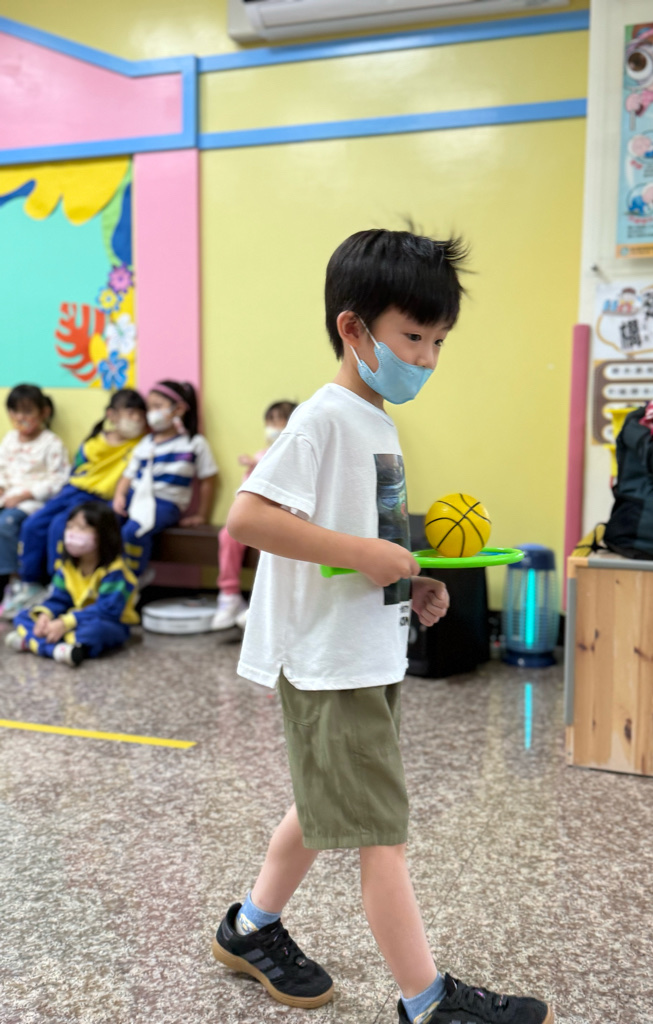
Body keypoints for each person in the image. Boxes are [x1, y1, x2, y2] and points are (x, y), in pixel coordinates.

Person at [211, 229, 553, 1024]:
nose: (427, 358)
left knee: (326, 804)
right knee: (381, 835)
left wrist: (409, 583)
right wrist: (364, 554)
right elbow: (248, 518)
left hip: (362, 652)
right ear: (354, 329)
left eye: (439, 342)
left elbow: (363, 540)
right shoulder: (323, 418)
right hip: (329, 662)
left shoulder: (376, 420)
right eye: (413, 337)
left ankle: (250, 928)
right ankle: (426, 1002)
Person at [2, 388, 147, 620]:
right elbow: (77, 470)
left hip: (100, 499)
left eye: (140, 415)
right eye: (130, 414)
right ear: (111, 415)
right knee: (32, 525)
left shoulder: (141, 445)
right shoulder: (94, 441)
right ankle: (30, 583)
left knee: (59, 527)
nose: (136, 420)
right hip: (73, 490)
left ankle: (58, 585)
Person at [5, 501, 139, 667]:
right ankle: (60, 648)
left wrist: (66, 623)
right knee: (24, 615)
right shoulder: (67, 567)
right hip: (72, 619)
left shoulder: (115, 571)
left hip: (109, 622)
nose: (72, 533)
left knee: (95, 631)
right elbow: (58, 600)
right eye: (69, 527)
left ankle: (35, 642)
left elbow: (107, 611)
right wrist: (45, 616)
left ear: (103, 533)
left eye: (82, 528)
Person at [112, 380, 219, 580]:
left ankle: (132, 578)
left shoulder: (194, 443)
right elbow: (129, 474)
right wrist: (119, 496)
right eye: (149, 407)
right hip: (135, 496)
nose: (151, 413)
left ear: (179, 409)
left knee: (134, 531)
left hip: (164, 503)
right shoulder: (146, 443)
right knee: (106, 522)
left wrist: (202, 515)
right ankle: (105, 575)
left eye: (157, 406)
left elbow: (208, 479)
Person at [211, 400, 297, 630]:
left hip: (278, 520)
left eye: (280, 420)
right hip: (254, 517)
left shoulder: (295, 455)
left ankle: (263, 601)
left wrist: (257, 464)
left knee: (267, 545)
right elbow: (247, 493)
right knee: (227, 536)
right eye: (270, 421)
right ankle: (229, 595)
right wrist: (252, 468)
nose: (274, 427)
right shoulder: (261, 455)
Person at [0, 385, 70, 606]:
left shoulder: (52, 443)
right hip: (7, 497)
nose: (21, 418)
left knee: (6, 523)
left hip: (33, 501)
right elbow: (1, 468)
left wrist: (25, 495)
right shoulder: (10, 439)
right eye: (15, 412)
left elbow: (59, 480)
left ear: (44, 412)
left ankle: (17, 580)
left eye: (28, 411)